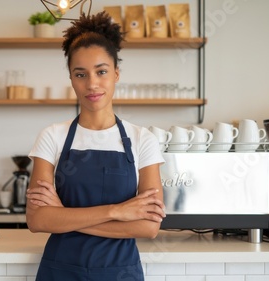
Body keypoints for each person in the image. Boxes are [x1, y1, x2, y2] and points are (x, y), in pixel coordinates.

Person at [26, 11, 166, 281]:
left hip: (120, 273)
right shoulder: (52, 136)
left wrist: (63, 217)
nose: (92, 84)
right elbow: (38, 221)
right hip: (60, 271)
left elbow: (149, 226)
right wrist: (118, 212)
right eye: (81, 74)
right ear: (71, 78)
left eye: (101, 72)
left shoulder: (142, 140)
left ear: (116, 73)